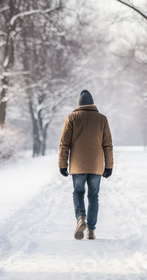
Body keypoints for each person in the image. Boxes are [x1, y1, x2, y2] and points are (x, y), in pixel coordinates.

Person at [58, 90, 114, 240]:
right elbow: (108, 145)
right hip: (96, 165)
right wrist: (109, 166)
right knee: (93, 196)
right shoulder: (102, 119)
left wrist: (63, 164)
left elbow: (64, 144)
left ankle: (80, 217)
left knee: (78, 192)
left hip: (78, 165)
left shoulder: (72, 118)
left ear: (79, 104)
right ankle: (91, 230)